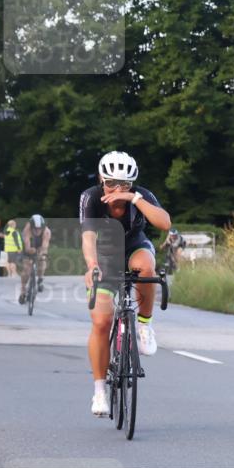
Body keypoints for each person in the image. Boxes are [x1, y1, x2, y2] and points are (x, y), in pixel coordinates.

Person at [80, 151, 172, 417]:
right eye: (111, 183)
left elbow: (165, 223)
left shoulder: (140, 195)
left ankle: (144, 326)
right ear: (101, 180)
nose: (116, 189)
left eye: (124, 184)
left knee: (147, 267)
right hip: (104, 257)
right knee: (101, 322)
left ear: (132, 184)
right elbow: (88, 237)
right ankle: (100, 391)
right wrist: (92, 265)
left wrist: (135, 199)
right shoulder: (91, 198)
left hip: (134, 248)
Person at [18, 214, 51, 303]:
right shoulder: (26, 230)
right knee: (26, 270)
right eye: (35, 229)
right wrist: (30, 251)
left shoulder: (46, 231)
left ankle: (40, 278)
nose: (37, 231)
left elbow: (45, 246)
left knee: (42, 260)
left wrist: (41, 254)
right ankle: (23, 291)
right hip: (29, 246)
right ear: (31, 226)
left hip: (40, 246)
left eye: (40, 229)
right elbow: (27, 246)